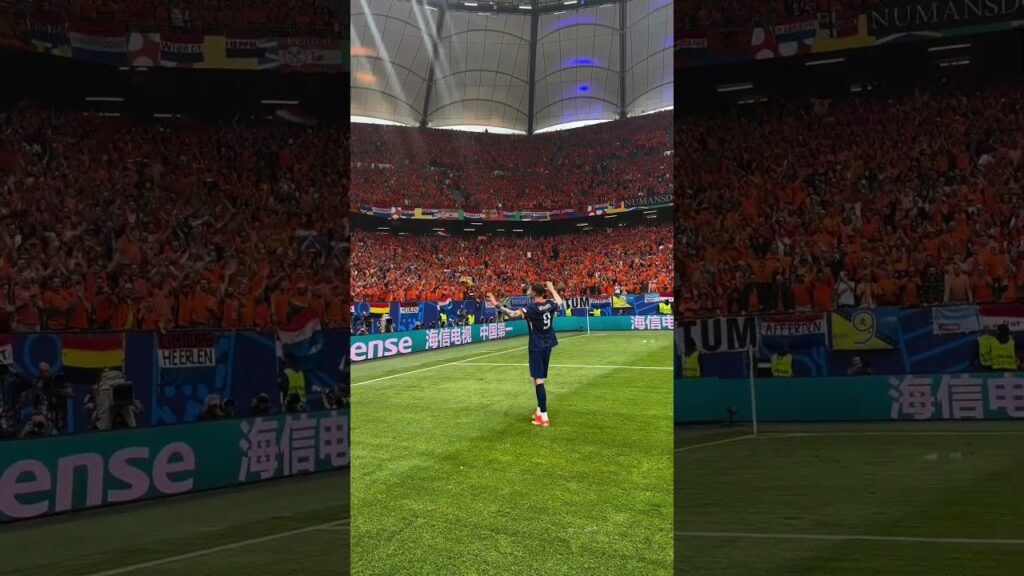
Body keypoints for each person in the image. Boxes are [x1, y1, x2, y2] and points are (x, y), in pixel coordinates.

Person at [488, 281, 563, 428]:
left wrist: (497, 304)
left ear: (535, 293)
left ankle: (544, 417)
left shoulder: (532, 308)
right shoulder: (549, 304)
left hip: (537, 346)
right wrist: (553, 289)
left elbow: (512, 314)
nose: (528, 291)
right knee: (541, 378)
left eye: (530, 289)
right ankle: (539, 411)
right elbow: (559, 302)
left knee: (538, 381)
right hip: (548, 344)